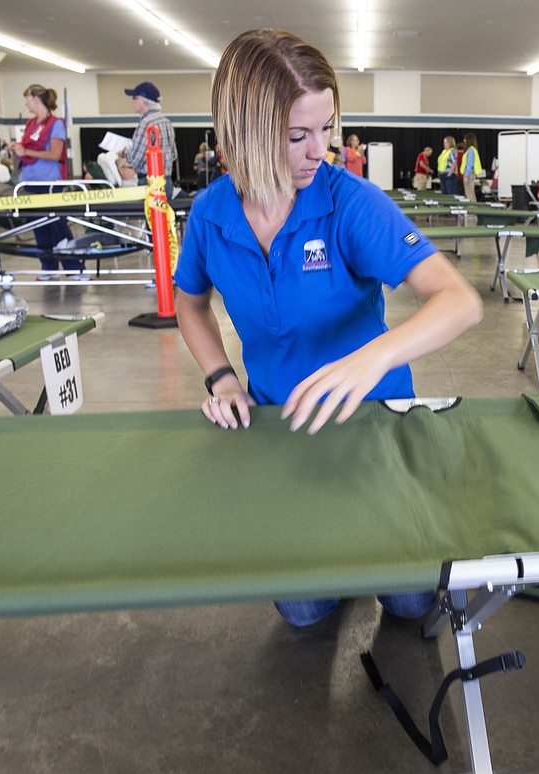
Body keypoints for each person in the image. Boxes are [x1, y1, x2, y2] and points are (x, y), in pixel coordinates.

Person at [172, 29, 482, 628]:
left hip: (373, 423)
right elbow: (190, 304)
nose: (321, 151)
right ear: (243, 137)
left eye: (328, 129)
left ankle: (388, 554)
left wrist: (371, 360)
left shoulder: (351, 203)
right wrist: (222, 380)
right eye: (298, 136)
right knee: (304, 612)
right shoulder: (211, 214)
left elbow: (459, 300)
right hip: (285, 426)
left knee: (412, 605)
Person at [10, 84, 84, 278]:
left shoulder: (55, 124)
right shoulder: (30, 124)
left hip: (49, 182)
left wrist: (25, 151)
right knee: (39, 227)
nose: (26, 102)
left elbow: (55, 153)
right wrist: (18, 149)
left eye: (27, 98)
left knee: (58, 226)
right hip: (30, 182)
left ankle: (74, 268)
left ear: (35, 99)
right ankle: (49, 268)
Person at [125, 81, 177, 196]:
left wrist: (124, 153)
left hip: (149, 182)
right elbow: (173, 155)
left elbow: (135, 159)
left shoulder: (146, 123)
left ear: (144, 101)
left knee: (150, 214)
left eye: (134, 97)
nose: (132, 101)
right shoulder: (167, 122)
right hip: (167, 181)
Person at [462, 133, 482, 201]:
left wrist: (466, 175)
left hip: (469, 174)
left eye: (465, 139)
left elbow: (469, 164)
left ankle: (472, 207)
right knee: (470, 192)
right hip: (470, 173)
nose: (464, 141)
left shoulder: (470, 150)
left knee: (469, 193)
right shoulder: (472, 150)